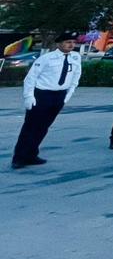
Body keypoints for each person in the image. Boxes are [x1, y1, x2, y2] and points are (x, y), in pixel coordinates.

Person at [12, 31, 82, 169]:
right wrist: (29, 96)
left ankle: (31, 154)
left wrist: (69, 94)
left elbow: (76, 76)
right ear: (59, 43)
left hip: (59, 95)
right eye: (68, 42)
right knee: (30, 127)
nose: (71, 45)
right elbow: (31, 78)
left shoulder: (75, 57)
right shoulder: (47, 58)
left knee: (43, 127)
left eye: (73, 42)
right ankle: (19, 158)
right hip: (42, 95)